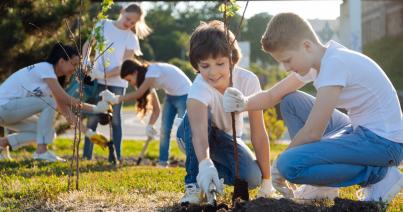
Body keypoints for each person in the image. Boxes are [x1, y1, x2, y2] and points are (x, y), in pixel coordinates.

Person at [223, 12, 403, 203]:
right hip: (359, 129)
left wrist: (280, 165)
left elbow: (312, 133)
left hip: (384, 143)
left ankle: (379, 175)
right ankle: (322, 186)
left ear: (306, 46)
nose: (285, 68)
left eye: (287, 60)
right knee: (290, 101)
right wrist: (244, 103)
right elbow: (272, 95)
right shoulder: (321, 60)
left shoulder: (334, 65)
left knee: (289, 164)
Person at [175, 20, 273, 205]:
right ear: (196, 65)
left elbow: (259, 132)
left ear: (232, 59)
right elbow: (198, 132)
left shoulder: (248, 81)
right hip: (193, 135)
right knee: (202, 116)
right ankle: (193, 185)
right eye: (205, 66)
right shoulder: (199, 88)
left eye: (220, 63)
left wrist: (267, 181)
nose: (213, 72)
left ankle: (209, 174)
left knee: (252, 178)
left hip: (226, 139)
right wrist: (204, 163)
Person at [0, 43, 109, 162]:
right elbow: (66, 99)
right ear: (62, 61)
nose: (75, 69)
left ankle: (2, 143)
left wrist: (89, 133)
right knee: (49, 103)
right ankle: (41, 152)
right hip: (3, 107)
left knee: (48, 132)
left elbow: (66, 111)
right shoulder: (45, 68)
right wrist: (95, 108)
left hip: (9, 112)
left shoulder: (52, 80)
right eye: (74, 64)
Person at [82, 3, 152, 162]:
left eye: (133, 22)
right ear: (122, 12)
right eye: (128, 19)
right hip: (95, 79)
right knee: (93, 117)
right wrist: (85, 62)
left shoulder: (131, 38)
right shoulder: (103, 24)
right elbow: (88, 44)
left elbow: (125, 66)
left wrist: (103, 73)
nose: (129, 23)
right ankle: (86, 156)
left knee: (115, 120)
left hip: (118, 83)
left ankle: (115, 156)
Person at [100, 58, 191, 167]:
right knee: (164, 131)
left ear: (135, 73)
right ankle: (162, 163)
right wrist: (150, 126)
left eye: (129, 80)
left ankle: (192, 161)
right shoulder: (147, 80)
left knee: (185, 131)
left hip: (185, 94)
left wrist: (116, 98)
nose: (131, 83)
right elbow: (156, 109)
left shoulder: (152, 72)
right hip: (171, 95)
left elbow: (138, 94)